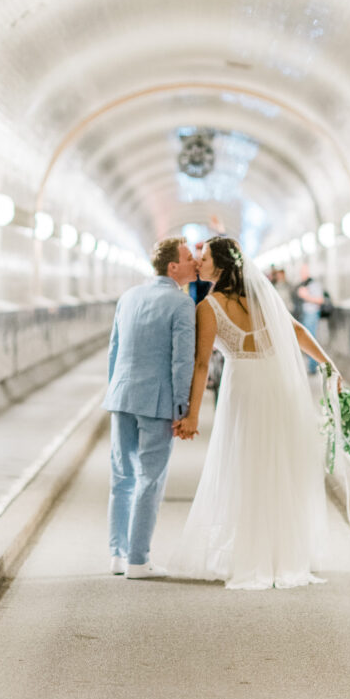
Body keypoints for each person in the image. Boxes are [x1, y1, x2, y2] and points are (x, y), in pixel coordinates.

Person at [170, 236, 342, 590]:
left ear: (220, 265)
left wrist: (191, 415)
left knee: (244, 466)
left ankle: (250, 556)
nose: (199, 263)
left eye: (203, 258)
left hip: (243, 389)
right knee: (276, 465)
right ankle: (281, 556)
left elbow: (202, 364)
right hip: (276, 387)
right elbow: (296, 330)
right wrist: (329, 365)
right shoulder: (264, 299)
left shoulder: (209, 306)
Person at [103, 237, 197, 579]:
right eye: (189, 258)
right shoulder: (181, 304)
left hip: (121, 395)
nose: (195, 263)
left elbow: (114, 349)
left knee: (121, 477)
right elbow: (181, 361)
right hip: (157, 400)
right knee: (150, 479)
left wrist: (113, 389)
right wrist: (183, 408)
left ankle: (117, 554)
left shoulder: (129, 297)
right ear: (173, 266)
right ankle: (139, 560)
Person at [297, 263, 324, 374]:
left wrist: (305, 296)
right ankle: (311, 365)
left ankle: (313, 366)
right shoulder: (304, 284)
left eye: (304, 271)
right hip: (306, 314)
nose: (301, 274)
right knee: (307, 340)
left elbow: (320, 300)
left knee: (311, 340)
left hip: (312, 314)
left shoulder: (313, 284)